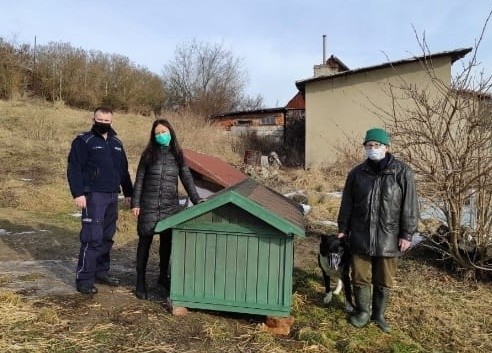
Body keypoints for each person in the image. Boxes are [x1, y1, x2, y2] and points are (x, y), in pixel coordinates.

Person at [337, 127, 418, 333]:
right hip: (360, 235)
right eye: (368, 145)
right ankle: (362, 312)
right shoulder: (356, 173)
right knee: (359, 276)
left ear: (386, 147)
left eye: (376, 145)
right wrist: (343, 228)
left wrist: (407, 234)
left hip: (389, 236)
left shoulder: (402, 172)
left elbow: (410, 205)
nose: (372, 149)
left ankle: (379, 315)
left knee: (384, 279)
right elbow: (347, 203)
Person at [131, 118, 202, 300]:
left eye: (164, 132)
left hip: (170, 206)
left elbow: (186, 178)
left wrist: (196, 199)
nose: (161, 136)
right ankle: (140, 281)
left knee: (166, 243)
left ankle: (163, 276)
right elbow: (139, 181)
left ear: (170, 133)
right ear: (153, 137)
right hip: (149, 205)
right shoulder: (147, 155)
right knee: (144, 243)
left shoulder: (178, 155)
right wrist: (136, 203)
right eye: (157, 134)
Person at [67, 106, 133, 295]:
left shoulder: (117, 143)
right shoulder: (83, 141)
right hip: (93, 196)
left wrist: (129, 193)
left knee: (106, 236)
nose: (103, 123)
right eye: (100, 120)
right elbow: (74, 169)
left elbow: (124, 171)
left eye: (107, 120)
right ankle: (84, 279)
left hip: (113, 195)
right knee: (92, 238)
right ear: (93, 119)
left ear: (112, 121)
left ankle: (101, 272)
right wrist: (78, 193)